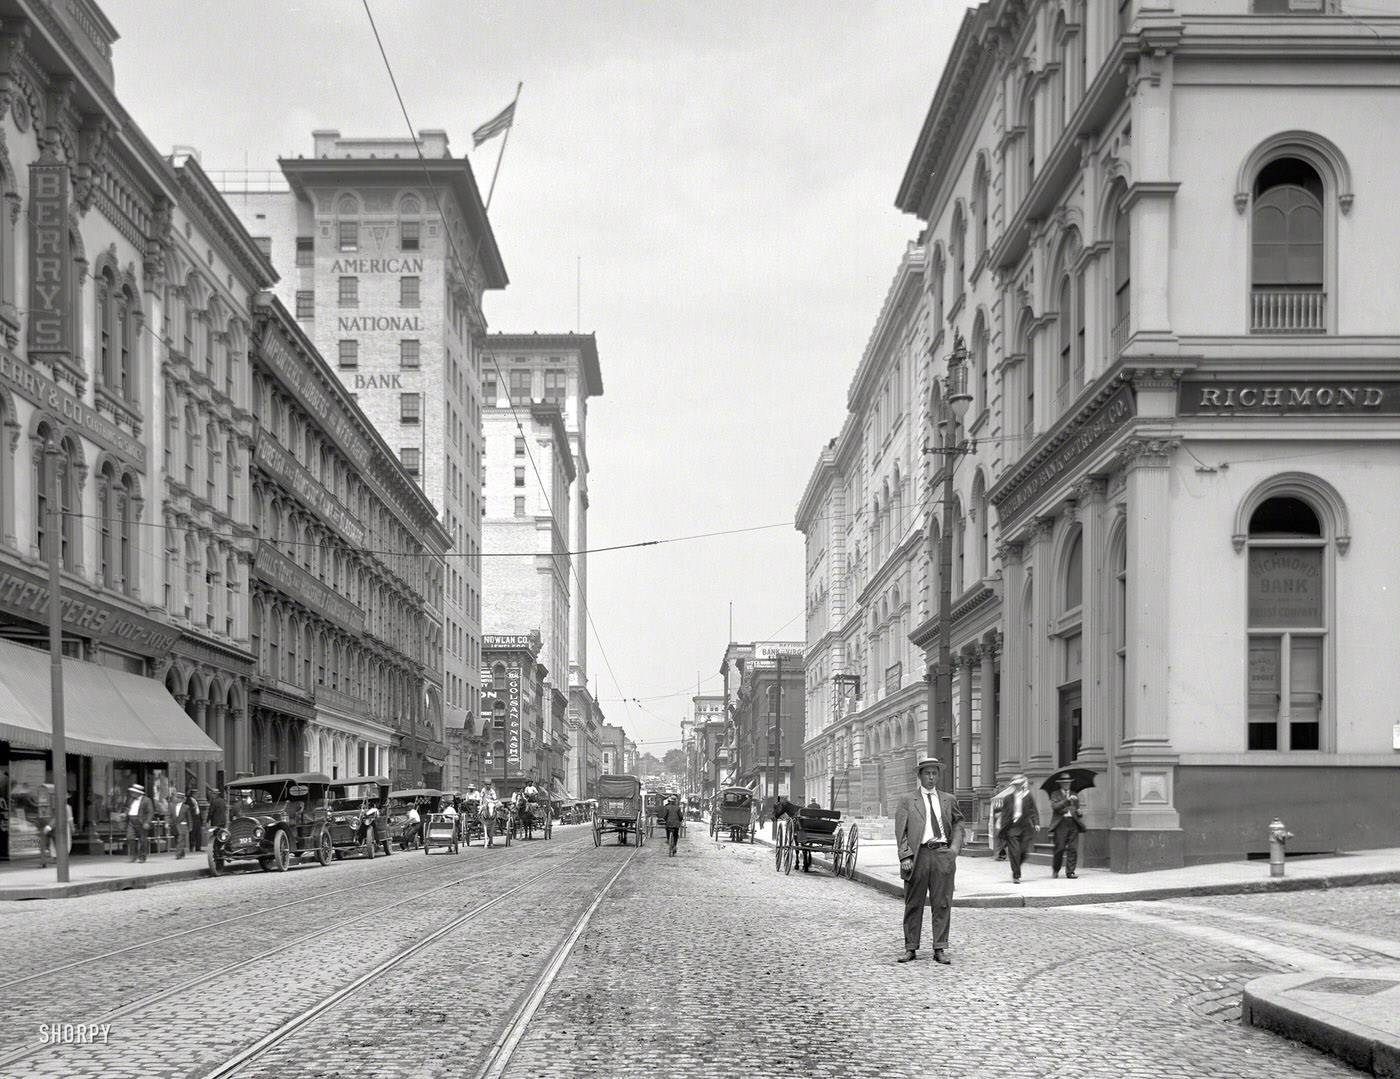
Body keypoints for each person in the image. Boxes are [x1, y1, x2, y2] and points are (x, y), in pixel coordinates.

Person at [894, 758, 964, 965]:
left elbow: (959, 823)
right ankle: (910, 948)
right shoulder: (908, 800)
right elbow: (901, 830)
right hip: (919, 856)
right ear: (920, 776)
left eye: (935, 773)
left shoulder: (948, 799)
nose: (931, 777)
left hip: (943, 855)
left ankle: (939, 948)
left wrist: (954, 849)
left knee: (942, 903)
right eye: (927, 774)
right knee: (913, 903)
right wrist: (905, 855)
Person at [998, 774, 1039, 884]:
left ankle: (1017, 867)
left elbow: (1033, 811)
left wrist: (1036, 823)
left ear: (1022, 785)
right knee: (1014, 852)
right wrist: (1003, 828)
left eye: (1019, 784)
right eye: (1015, 785)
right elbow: (1004, 815)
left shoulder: (1028, 796)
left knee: (1023, 852)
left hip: (1025, 827)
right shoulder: (1008, 798)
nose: (1017, 787)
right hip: (1012, 827)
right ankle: (1016, 875)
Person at [1048, 775, 1083, 879]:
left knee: (1073, 848)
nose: (1067, 784)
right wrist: (1067, 800)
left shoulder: (1074, 794)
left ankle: (1070, 871)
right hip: (1061, 824)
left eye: (1069, 782)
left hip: (1073, 823)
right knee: (1060, 848)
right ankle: (1056, 869)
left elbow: (1077, 808)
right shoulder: (1055, 794)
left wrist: (1079, 812)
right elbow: (1055, 807)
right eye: (1065, 783)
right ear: (1061, 784)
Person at [126, 784, 154, 863]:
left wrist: (147, 822)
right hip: (131, 821)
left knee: (143, 840)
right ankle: (133, 855)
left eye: (134, 792)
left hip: (141, 822)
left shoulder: (147, 800)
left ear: (139, 793)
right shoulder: (130, 800)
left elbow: (150, 812)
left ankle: (142, 856)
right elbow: (127, 808)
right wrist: (124, 814)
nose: (132, 793)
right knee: (130, 837)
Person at [170, 792, 192, 859]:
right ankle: (182, 852)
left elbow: (189, 817)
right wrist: (168, 822)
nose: (178, 799)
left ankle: (178, 854)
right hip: (175, 825)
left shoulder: (186, 807)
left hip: (182, 825)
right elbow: (169, 815)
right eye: (177, 797)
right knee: (177, 839)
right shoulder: (172, 806)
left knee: (180, 840)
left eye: (180, 798)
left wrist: (190, 826)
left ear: (182, 799)